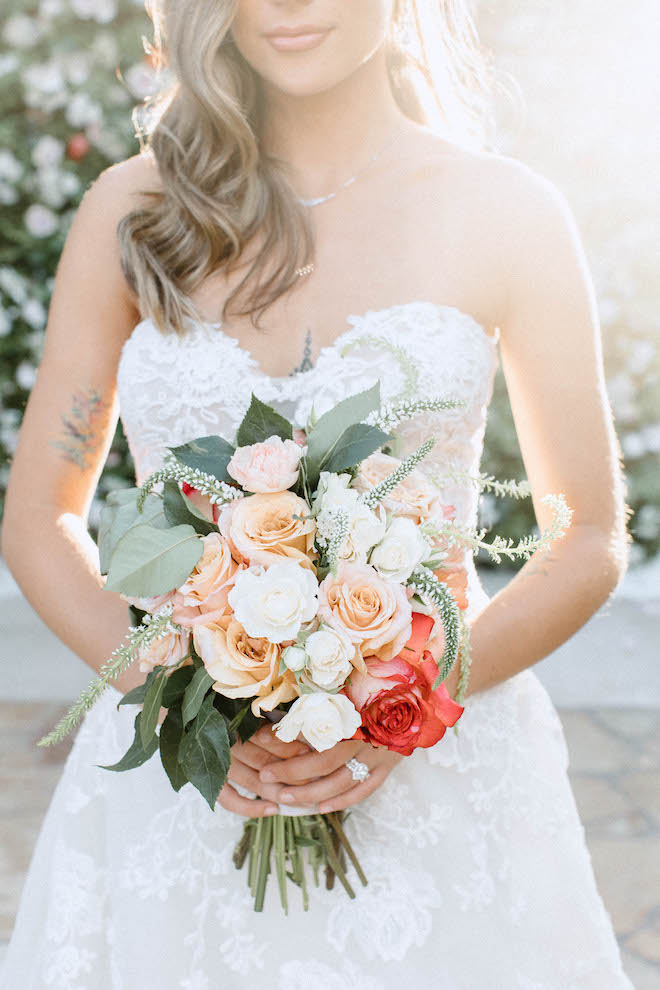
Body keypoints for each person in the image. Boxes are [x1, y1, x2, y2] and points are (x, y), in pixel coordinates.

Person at [0, 1, 635, 987]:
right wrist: (178, 699)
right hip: (193, 791)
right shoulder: (134, 211)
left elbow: (588, 533)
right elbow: (41, 519)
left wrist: (415, 704)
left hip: (445, 783)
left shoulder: (507, 211)